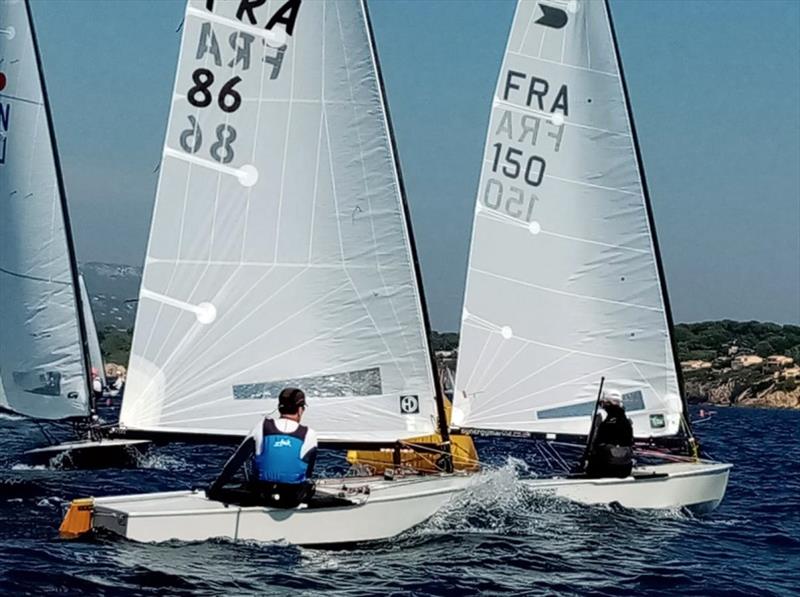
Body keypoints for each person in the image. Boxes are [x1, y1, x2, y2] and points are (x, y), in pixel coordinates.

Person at [208, 387, 318, 508]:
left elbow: (235, 462)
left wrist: (215, 489)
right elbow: (307, 474)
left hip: (261, 495)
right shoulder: (309, 434)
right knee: (309, 484)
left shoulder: (262, 426)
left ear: (279, 407)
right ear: (300, 410)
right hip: (291, 499)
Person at [584, 390, 634, 478]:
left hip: (603, 468)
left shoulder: (601, 416)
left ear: (605, 402)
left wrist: (585, 459)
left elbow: (592, 441)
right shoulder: (627, 419)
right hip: (625, 469)